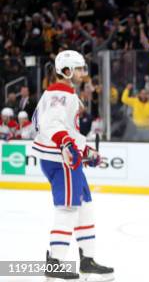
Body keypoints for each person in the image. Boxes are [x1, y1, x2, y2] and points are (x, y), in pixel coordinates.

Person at [32, 50, 114, 281]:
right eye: (78, 68)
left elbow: (66, 129)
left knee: (85, 205)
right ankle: (54, 264)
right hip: (61, 160)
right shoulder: (61, 93)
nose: (83, 73)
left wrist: (85, 151)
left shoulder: (63, 92)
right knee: (68, 209)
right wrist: (67, 145)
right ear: (66, 71)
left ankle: (87, 261)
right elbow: (52, 124)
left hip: (64, 156)